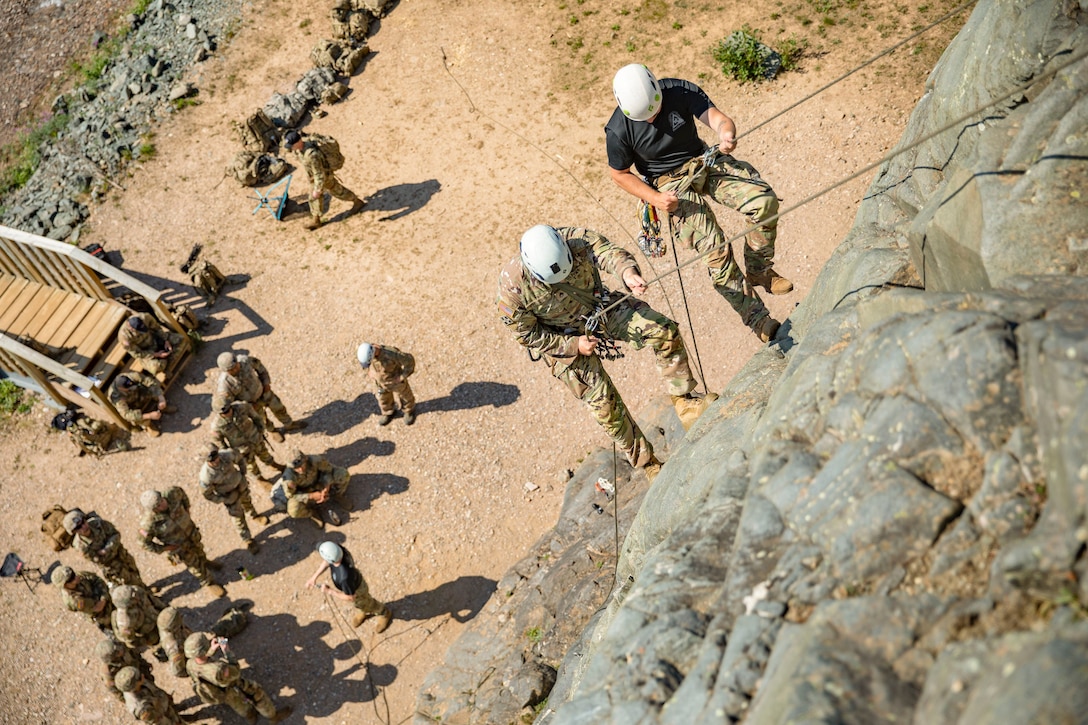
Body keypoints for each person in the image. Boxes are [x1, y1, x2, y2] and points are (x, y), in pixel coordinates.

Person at [497, 225, 715, 481]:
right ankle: (648, 464)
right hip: (563, 340)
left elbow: (609, 253)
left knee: (662, 331)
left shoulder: (576, 240)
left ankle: (684, 401)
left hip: (600, 309)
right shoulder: (512, 289)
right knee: (605, 407)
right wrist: (573, 346)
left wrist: (628, 273)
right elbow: (526, 335)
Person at [606, 64, 792, 342]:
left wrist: (726, 134)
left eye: (655, 111)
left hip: (702, 160)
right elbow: (619, 174)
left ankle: (759, 270)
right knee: (715, 250)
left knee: (762, 202)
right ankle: (759, 320)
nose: (652, 118)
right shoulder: (618, 129)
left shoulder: (677, 90)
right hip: (667, 183)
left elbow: (718, 119)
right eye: (644, 118)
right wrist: (655, 198)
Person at [184, 632, 292, 724]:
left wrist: (210, 651)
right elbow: (235, 671)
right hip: (234, 686)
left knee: (238, 705)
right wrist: (226, 650)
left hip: (222, 692)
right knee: (257, 695)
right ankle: (272, 717)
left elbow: (201, 665)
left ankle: (251, 717)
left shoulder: (190, 664)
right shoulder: (218, 670)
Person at [137, 487, 226, 598]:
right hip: (179, 547)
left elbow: (182, 494)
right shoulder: (149, 523)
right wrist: (166, 548)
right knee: (194, 564)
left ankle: (205, 562)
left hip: (191, 533)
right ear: (154, 510)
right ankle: (208, 582)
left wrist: (187, 509)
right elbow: (144, 543)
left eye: (162, 501)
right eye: (158, 506)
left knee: (199, 549)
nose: (163, 504)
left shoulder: (172, 494)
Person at [212, 351, 308, 442]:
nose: (235, 369)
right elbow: (231, 405)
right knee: (262, 420)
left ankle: (289, 424)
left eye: (235, 366)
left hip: (264, 392)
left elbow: (260, 368)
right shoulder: (224, 385)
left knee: (279, 408)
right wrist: (247, 407)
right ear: (225, 371)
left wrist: (266, 383)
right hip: (252, 405)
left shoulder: (245, 360)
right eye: (231, 370)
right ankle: (272, 431)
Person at [284, 129, 363, 231]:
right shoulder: (300, 150)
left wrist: (317, 189)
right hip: (315, 179)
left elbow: (319, 173)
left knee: (338, 192)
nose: (291, 149)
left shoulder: (311, 155)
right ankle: (316, 220)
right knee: (313, 198)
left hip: (324, 178)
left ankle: (357, 202)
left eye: (292, 146)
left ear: (298, 142)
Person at [305, 541, 392, 631]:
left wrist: (330, 591)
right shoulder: (338, 551)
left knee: (367, 602)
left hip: (357, 590)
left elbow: (350, 597)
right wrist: (314, 577)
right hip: (355, 581)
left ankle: (384, 612)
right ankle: (364, 610)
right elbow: (327, 561)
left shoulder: (344, 578)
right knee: (361, 604)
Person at [199, 443, 269, 553]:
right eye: (212, 461)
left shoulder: (226, 455)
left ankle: (254, 515)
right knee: (238, 517)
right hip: (229, 496)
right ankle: (248, 540)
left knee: (247, 501)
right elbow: (208, 494)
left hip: (240, 485)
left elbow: (240, 459)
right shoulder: (206, 476)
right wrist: (223, 499)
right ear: (207, 461)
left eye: (216, 457)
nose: (216, 461)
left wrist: (242, 474)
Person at [64, 508, 147, 587]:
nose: (84, 526)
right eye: (78, 527)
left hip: (121, 553)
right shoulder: (81, 546)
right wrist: (111, 546)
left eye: (83, 522)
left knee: (134, 571)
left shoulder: (97, 523)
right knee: (130, 582)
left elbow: (116, 534)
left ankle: (146, 590)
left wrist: (107, 549)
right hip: (113, 567)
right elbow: (99, 560)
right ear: (74, 532)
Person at [211, 400, 285, 483]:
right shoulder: (217, 426)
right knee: (251, 466)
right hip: (241, 449)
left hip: (254, 437)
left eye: (228, 410)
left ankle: (273, 464)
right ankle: (260, 479)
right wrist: (230, 454)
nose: (228, 413)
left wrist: (260, 429)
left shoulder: (241, 407)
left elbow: (255, 416)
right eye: (224, 413)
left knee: (264, 453)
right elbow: (219, 442)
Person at [277, 449, 351, 530]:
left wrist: (326, 486)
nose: (300, 470)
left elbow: (328, 470)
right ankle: (312, 512)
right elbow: (291, 496)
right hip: (305, 491)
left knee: (343, 474)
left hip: (320, 482)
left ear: (306, 459)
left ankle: (336, 494)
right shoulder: (288, 478)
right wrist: (310, 496)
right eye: (296, 468)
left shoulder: (316, 460)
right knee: (293, 510)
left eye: (302, 465)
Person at [117, 312, 190, 382]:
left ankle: (168, 363)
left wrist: (165, 341)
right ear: (131, 329)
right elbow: (137, 354)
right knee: (156, 367)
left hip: (156, 340)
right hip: (146, 352)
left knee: (181, 339)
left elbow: (157, 328)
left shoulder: (145, 317)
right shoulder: (124, 338)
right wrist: (156, 354)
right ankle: (167, 361)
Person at [357, 342, 416, 425]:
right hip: (380, 383)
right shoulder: (368, 353)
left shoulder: (392, 354)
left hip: (395, 381)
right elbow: (366, 365)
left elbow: (409, 362)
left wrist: (402, 377)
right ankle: (388, 412)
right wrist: (370, 372)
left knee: (405, 396)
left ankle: (408, 411)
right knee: (383, 399)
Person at [108, 372, 173, 437]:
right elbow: (127, 415)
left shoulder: (132, 376)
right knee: (135, 417)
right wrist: (149, 415)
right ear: (122, 389)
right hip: (131, 405)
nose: (131, 388)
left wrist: (161, 397)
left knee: (151, 389)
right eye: (129, 388)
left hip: (139, 394)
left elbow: (149, 382)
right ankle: (147, 426)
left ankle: (162, 406)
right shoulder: (116, 397)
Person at [96, 634, 155, 704]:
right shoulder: (108, 673)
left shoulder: (120, 646)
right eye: (116, 652)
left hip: (140, 672)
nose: (120, 650)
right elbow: (118, 693)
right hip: (134, 686)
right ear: (112, 659)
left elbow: (134, 655)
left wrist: (144, 664)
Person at [51, 565, 114, 631]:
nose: (76, 577)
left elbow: (97, 580)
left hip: (107, 599)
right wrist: (103, 594)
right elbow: (97, 607)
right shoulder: (74, 601)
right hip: (103, 615)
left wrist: (104, 598)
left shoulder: (80, 575)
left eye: (73, 574)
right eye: (72, 578)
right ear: (66, 585)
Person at [114, 665, 183, 724]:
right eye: (139, 677)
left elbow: (155, 690)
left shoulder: (138, 683)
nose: (142, 676)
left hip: (164, 707)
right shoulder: (141, 709)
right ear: (134, 686)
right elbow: (158, 721)